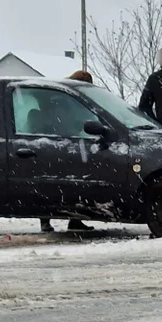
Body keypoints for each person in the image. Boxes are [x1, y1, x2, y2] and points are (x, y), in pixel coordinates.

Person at [40, 69, 95, 233]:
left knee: (59, 184)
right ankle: (64, 219)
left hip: (62, 143)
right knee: (66, 184)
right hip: (62, 143)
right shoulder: (64, 97)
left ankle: (57, 219)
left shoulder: (60, 94)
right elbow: (68, 120)